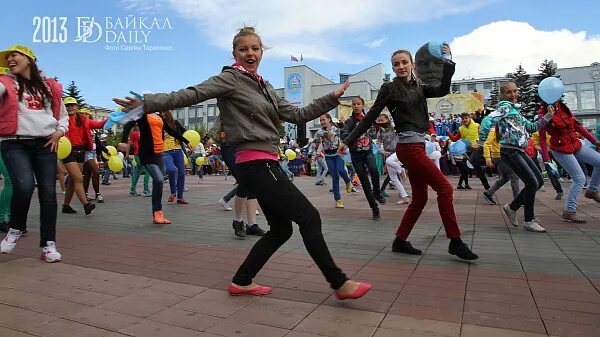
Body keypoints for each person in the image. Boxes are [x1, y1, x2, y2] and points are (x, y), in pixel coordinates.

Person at [114, 26, 371, 299]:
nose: (250, 53)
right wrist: (148, 104)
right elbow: (191, 94)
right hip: (256, 164)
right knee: (309, 217)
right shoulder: (230, 78)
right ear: (235, 53)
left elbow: (298, 115)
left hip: (265, 161)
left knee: (282, 229)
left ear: (262, 52)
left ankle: (242, 280)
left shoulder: (265, 87)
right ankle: (339, 283)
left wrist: (331, 98)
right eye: (243, 48)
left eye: (255, 48)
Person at [340, 47, 478, 260]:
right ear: (393, 68)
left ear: (412, 64)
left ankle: (400, 240)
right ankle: (455, 241)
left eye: (404, 62)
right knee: (445, 189)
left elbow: (442, 90)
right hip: (409, 148)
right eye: (396, 64)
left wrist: (448, 62)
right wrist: (348, 141)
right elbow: (370, 118)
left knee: (420, 198)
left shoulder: (419, 86)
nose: (400, 66)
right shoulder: (389, 89)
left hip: (419, 146)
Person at [0, 44, 68, 262]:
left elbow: (62, 115)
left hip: (45, 144)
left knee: (48, 194)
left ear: (28, 58)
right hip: (14, 142)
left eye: (14, 55)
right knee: (24, 185)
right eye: (7, 57)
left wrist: (59, 132)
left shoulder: (50, 87)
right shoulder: (6, 82)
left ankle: (49, 245)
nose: (10, 59)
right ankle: (15, 229)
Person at [119, 111, 190, 224]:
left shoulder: (159, 117)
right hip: (147, 155)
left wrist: (186, 141)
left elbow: (171, 131)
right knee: (159, 179)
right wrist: (123, 141)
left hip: (160, 154)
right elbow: (128, 124)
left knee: (159, 183)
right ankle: (157, 212)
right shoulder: (142, 115)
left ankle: (157, 214)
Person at [497, 99, 554, 232]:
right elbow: (496, 116)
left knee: (539, 181)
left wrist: (549, 115)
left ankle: (512, 207)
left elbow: (532, 127)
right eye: (509, 92)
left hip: (519, 150)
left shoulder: (517, 113)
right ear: (502, 95)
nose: (513, 95)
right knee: (532, 183)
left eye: (515, 92)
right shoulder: (504, 109)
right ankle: (529, 220)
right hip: (509, 150)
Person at [539, 100, 600, 223]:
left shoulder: (564, 108)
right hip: (561, 150)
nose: (555, 100)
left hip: (576, 145)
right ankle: (569, 211)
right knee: (579, 178)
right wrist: (547, 160)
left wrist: (595, 141)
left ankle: (592, 190)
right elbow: (542, 139)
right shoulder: (543, 114)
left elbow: (578, 126)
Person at [340, 97, 386, 220]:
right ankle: (375, 209)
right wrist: (350, 138)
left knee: (374, 169)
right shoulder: (349, 122)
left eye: (358, 104)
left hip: (368, 151)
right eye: (354, 104)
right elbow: (343, 134)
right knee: (365, 183)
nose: (356, 106)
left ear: (363, 106)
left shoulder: (368, 119)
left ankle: (377, 192)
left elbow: (375, 131)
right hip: (356, 155)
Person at [61, 97, 103, 215]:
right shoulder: (61, 120)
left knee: (73, 181)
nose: (70, 107)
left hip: (81, 152)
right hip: (67, 151)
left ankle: (66, 206)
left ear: (77, 106)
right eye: (67, 105)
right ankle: (86, 205)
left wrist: (112, 119)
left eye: (72, 105)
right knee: (79, 178)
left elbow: (98, 124)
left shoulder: (83, 119)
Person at [314, 113, 353, 208]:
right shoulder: (319, 132)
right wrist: (316, 150)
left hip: (338, 153)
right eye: (321, 120)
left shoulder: (336, 129)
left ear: (329, 120)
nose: (322, 122)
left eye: (324, 120)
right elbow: (315, 142)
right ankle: (338, 200)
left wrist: (345, 148)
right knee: (334, 176)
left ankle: (348, 182)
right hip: (328, 155)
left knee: (341, 170)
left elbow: (343, 138)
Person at [376, 112, 410, 205]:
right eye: (379, 121)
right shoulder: (380, 132)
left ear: (387, 120)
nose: (380, 122)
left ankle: (401, 170)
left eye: (382, 120)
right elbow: (377, 145)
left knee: (389, 161)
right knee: (393, 178)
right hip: (389, 153)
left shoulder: (394, 128)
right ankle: (404, 197)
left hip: (399, 151)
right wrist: (382, 152)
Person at [447, 112, 482, 189]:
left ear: (470, 118)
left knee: (469, 169)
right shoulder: (460, 128)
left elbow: (482, 135)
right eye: (463, 118)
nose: (465, 120)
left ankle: (461, 184)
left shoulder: (477, 126)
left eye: (466, 118)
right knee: (465, 169)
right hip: (465, 151)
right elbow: (454, 138)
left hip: (474, 149)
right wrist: (448, 132)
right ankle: (464, 184)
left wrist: (479, 144)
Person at [162, 112, 189, 204]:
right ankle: (173, 192)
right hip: (166, 151)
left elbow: (185, 132)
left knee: (181, 174)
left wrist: (188, 142)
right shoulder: (161, 125)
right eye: (161, 113)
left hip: (178, 150)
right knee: (171, 169)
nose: (163, 115)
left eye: (164, 113)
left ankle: (180, 197)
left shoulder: (176, 123)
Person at [125, 124, 151, 197]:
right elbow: (129, 144)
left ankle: (132, 190)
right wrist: (127, 154)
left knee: (137, 173)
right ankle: (146, 190)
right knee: (147, 170)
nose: (139, 126)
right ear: (135, 127)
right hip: (138, 155)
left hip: (143, 155)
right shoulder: (134, 134)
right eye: (137, 125)